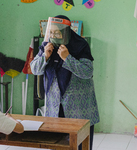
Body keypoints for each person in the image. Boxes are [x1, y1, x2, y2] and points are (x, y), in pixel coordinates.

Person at [30, 15, 99, 150]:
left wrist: (68, 58)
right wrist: (45, 56)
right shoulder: (46, 46)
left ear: (66, 32)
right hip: (55, 105)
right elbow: (34, 70)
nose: (53, 36)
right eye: (50, 32)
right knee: (56, 142)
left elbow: (87, 72)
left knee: (80, 142)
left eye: (57, 32)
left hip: (78, 107)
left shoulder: (80, 45)